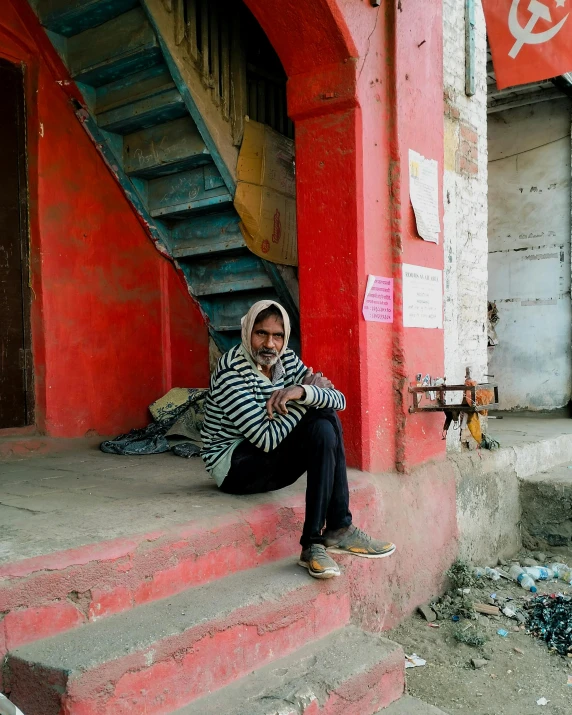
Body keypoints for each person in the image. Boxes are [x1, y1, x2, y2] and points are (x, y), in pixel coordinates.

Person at [201, 300, 396, 579]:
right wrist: (304, 396)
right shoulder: (230, 372)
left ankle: (332, 532)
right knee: (318, 417)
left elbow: (338, 400)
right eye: (261, 333)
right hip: (235, 467)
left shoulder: (287, 360)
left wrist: (300, 392)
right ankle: (327, 534)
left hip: (267, 457)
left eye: (277, 336)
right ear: (247, 332)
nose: (270, 344)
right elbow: (264, 438)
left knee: (326, 419)